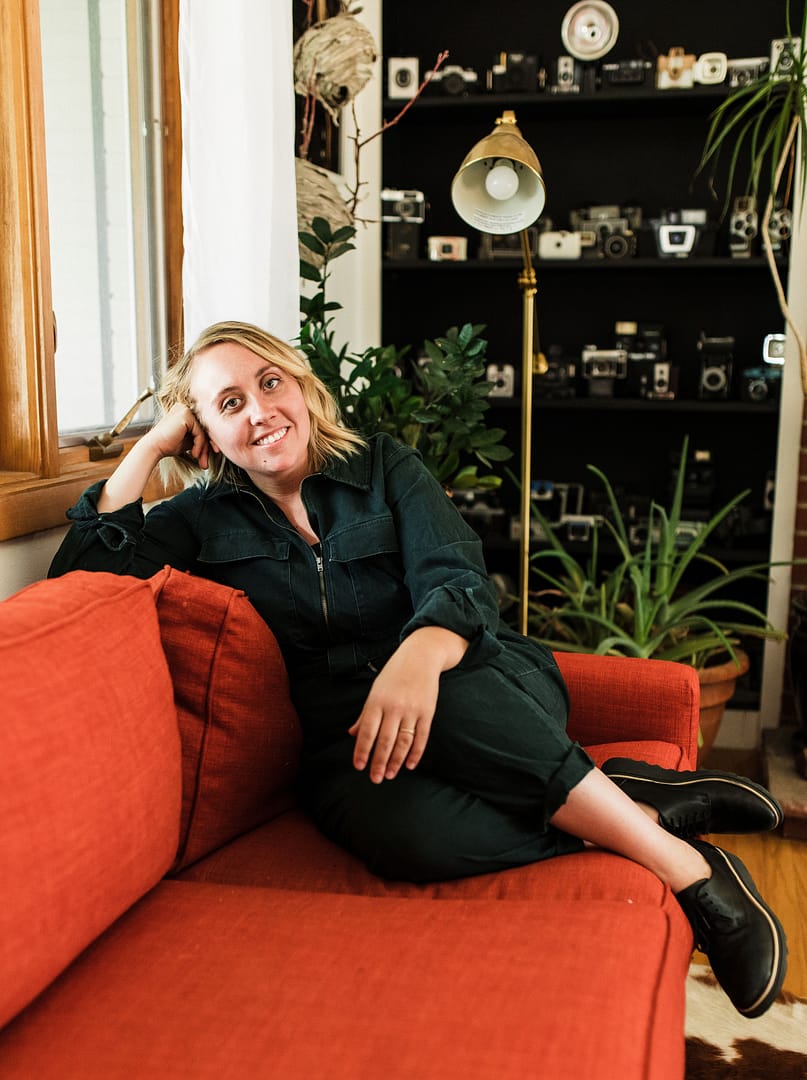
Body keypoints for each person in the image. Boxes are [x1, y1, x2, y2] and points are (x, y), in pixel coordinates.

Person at [50, 319, 787, 1019]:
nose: (261, 411)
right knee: (410, 840)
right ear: (205, 434)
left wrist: (416, 659)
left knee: (448, 692)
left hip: (484, 684)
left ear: (301, 387)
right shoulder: (198, 520)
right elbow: (81, 583)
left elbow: (457, 577)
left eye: (270, 382)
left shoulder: (382, 465)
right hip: (353, 741)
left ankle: (690, 873)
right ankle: (628, 802)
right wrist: (150, 450)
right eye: (229, 403)